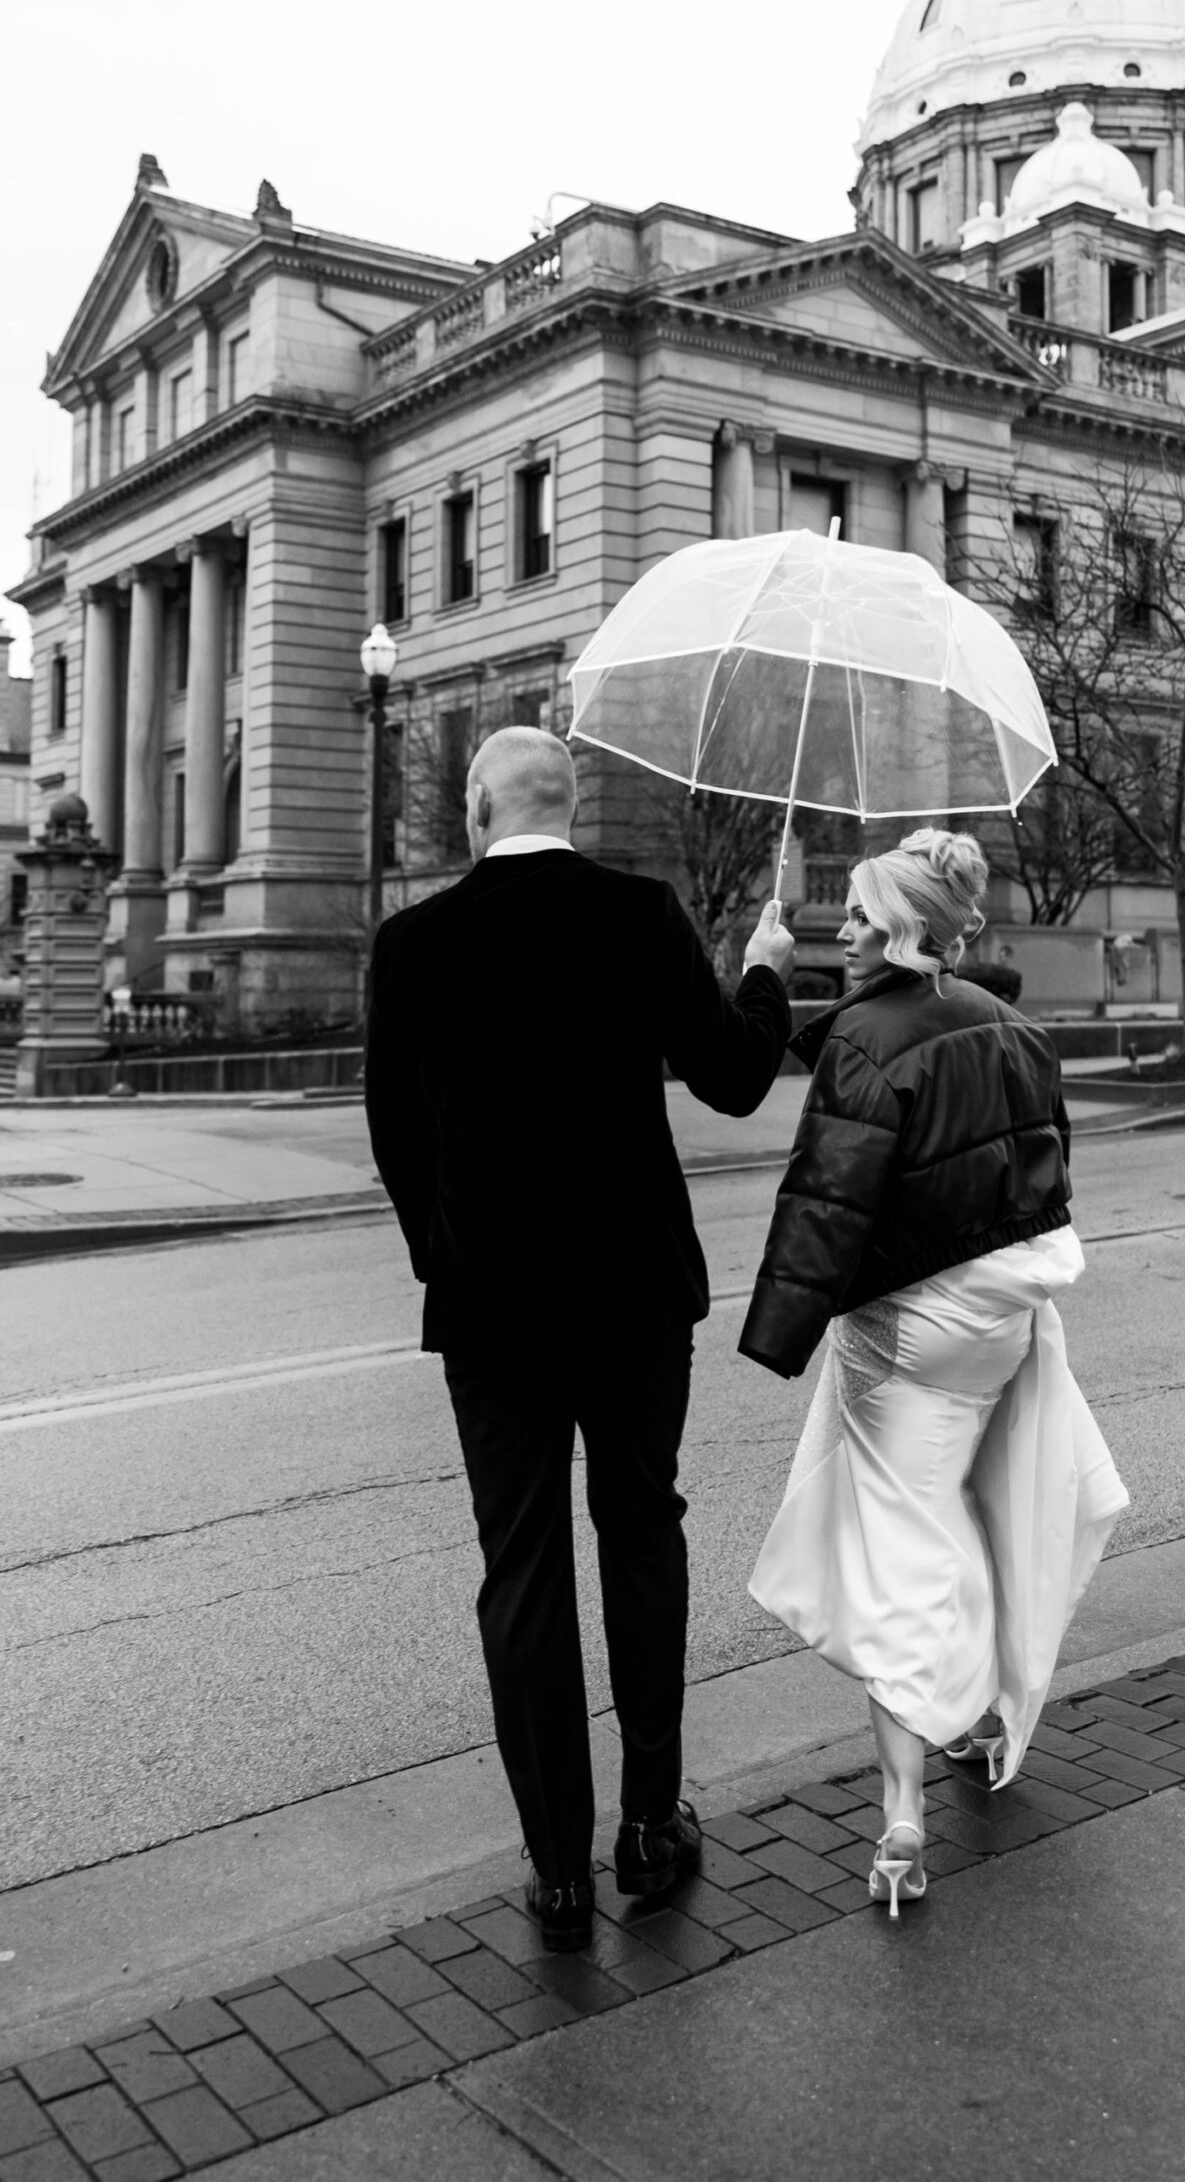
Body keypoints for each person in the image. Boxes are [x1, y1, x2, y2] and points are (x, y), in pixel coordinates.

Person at [365, 726, 794, 1953]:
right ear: (570, 800)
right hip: (631, 1296)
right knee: (641, 1530)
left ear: (473, 808)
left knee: (522, 1568)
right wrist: (763, 971)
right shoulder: (640, 912)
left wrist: (444, 1256)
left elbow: (396, 1131)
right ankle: (651, 1823)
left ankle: (556, 1869)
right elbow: (731, 1078)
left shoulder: (414, 942)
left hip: (492, 1307)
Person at [739, 828, 1125, 1918]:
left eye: (859, 915)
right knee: (969, 1508)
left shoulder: (864, 1038)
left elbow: (827, 1201)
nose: (842, 928)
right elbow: (1045, 1177)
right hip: (1000, 1323)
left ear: (905, 930)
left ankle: (901, 1813)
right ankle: (976, 1713)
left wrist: (775, 1334)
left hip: (904, 1335)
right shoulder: (1013, 1028)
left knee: (894, 1547)